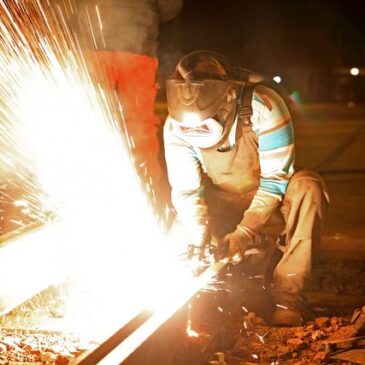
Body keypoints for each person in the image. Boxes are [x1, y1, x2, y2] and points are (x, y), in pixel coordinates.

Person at [163, 50, 329, 326]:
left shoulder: (263, 105)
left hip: (273, 197)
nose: (195, 132)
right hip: (225, 200)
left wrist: (244, 233)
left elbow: (276, 180)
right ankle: (193, 299)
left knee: (309, 188)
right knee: (181, 233)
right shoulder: (175, 126)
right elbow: (187, 192)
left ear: (227, 98)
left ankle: (287, 297)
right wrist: (200, 233)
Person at [74, 0, 183, 201]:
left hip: (93, 46)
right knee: (139, 124)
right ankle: (146, 192)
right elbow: (170, 7)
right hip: (138, 49)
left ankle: (88, 190)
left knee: (92, 118)